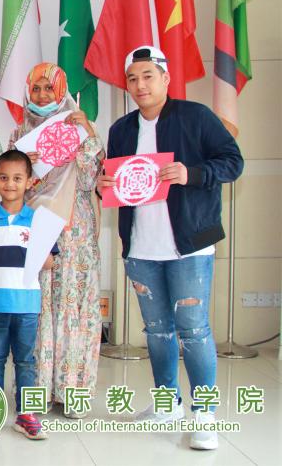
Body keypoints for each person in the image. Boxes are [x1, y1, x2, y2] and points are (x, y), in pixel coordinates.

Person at [99, 46, 243, 451]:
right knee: (157, 330)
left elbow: (233, 162)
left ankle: (204, 414)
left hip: (189, 247)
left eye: (148, 76)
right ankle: (168, 403)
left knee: (193, 330)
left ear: (165, 78)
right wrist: (102, 185)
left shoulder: (196, 116)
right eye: (132, 79)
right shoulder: (121, 129)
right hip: (141, 247)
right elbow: (115, 184)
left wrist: (191, 173)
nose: (140, 85)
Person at [8, 63, 104, 418]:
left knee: (74, 310)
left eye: (49, 88)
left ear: (61, 91)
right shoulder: (20, 133)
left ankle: (73, 392)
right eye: (36, 89)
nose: (42, 95)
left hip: (74, 231)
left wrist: (87, 134)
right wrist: (25, 168)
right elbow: (10, 187)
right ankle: (38, 392)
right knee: (37, 312)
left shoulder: (80, 127)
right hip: (34, 229)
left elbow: (91, 180)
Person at [0, 149, 57, 440]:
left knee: (25, 361)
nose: (10, 184)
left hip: (27, 305)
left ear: (30, 182)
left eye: (18, 178)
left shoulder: (39, 220)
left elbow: (50, 262)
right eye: (4, 178)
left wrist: (37, 246)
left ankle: (27, 415)